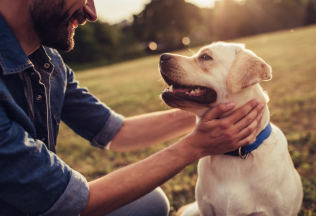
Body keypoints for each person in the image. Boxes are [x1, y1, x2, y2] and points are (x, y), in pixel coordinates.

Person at [0, 0, 264, 215]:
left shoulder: (49, 63)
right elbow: (68, 202)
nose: (92, 12)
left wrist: (217, 109)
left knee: (151, 202)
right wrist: (195, 145)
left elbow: (118, 131)